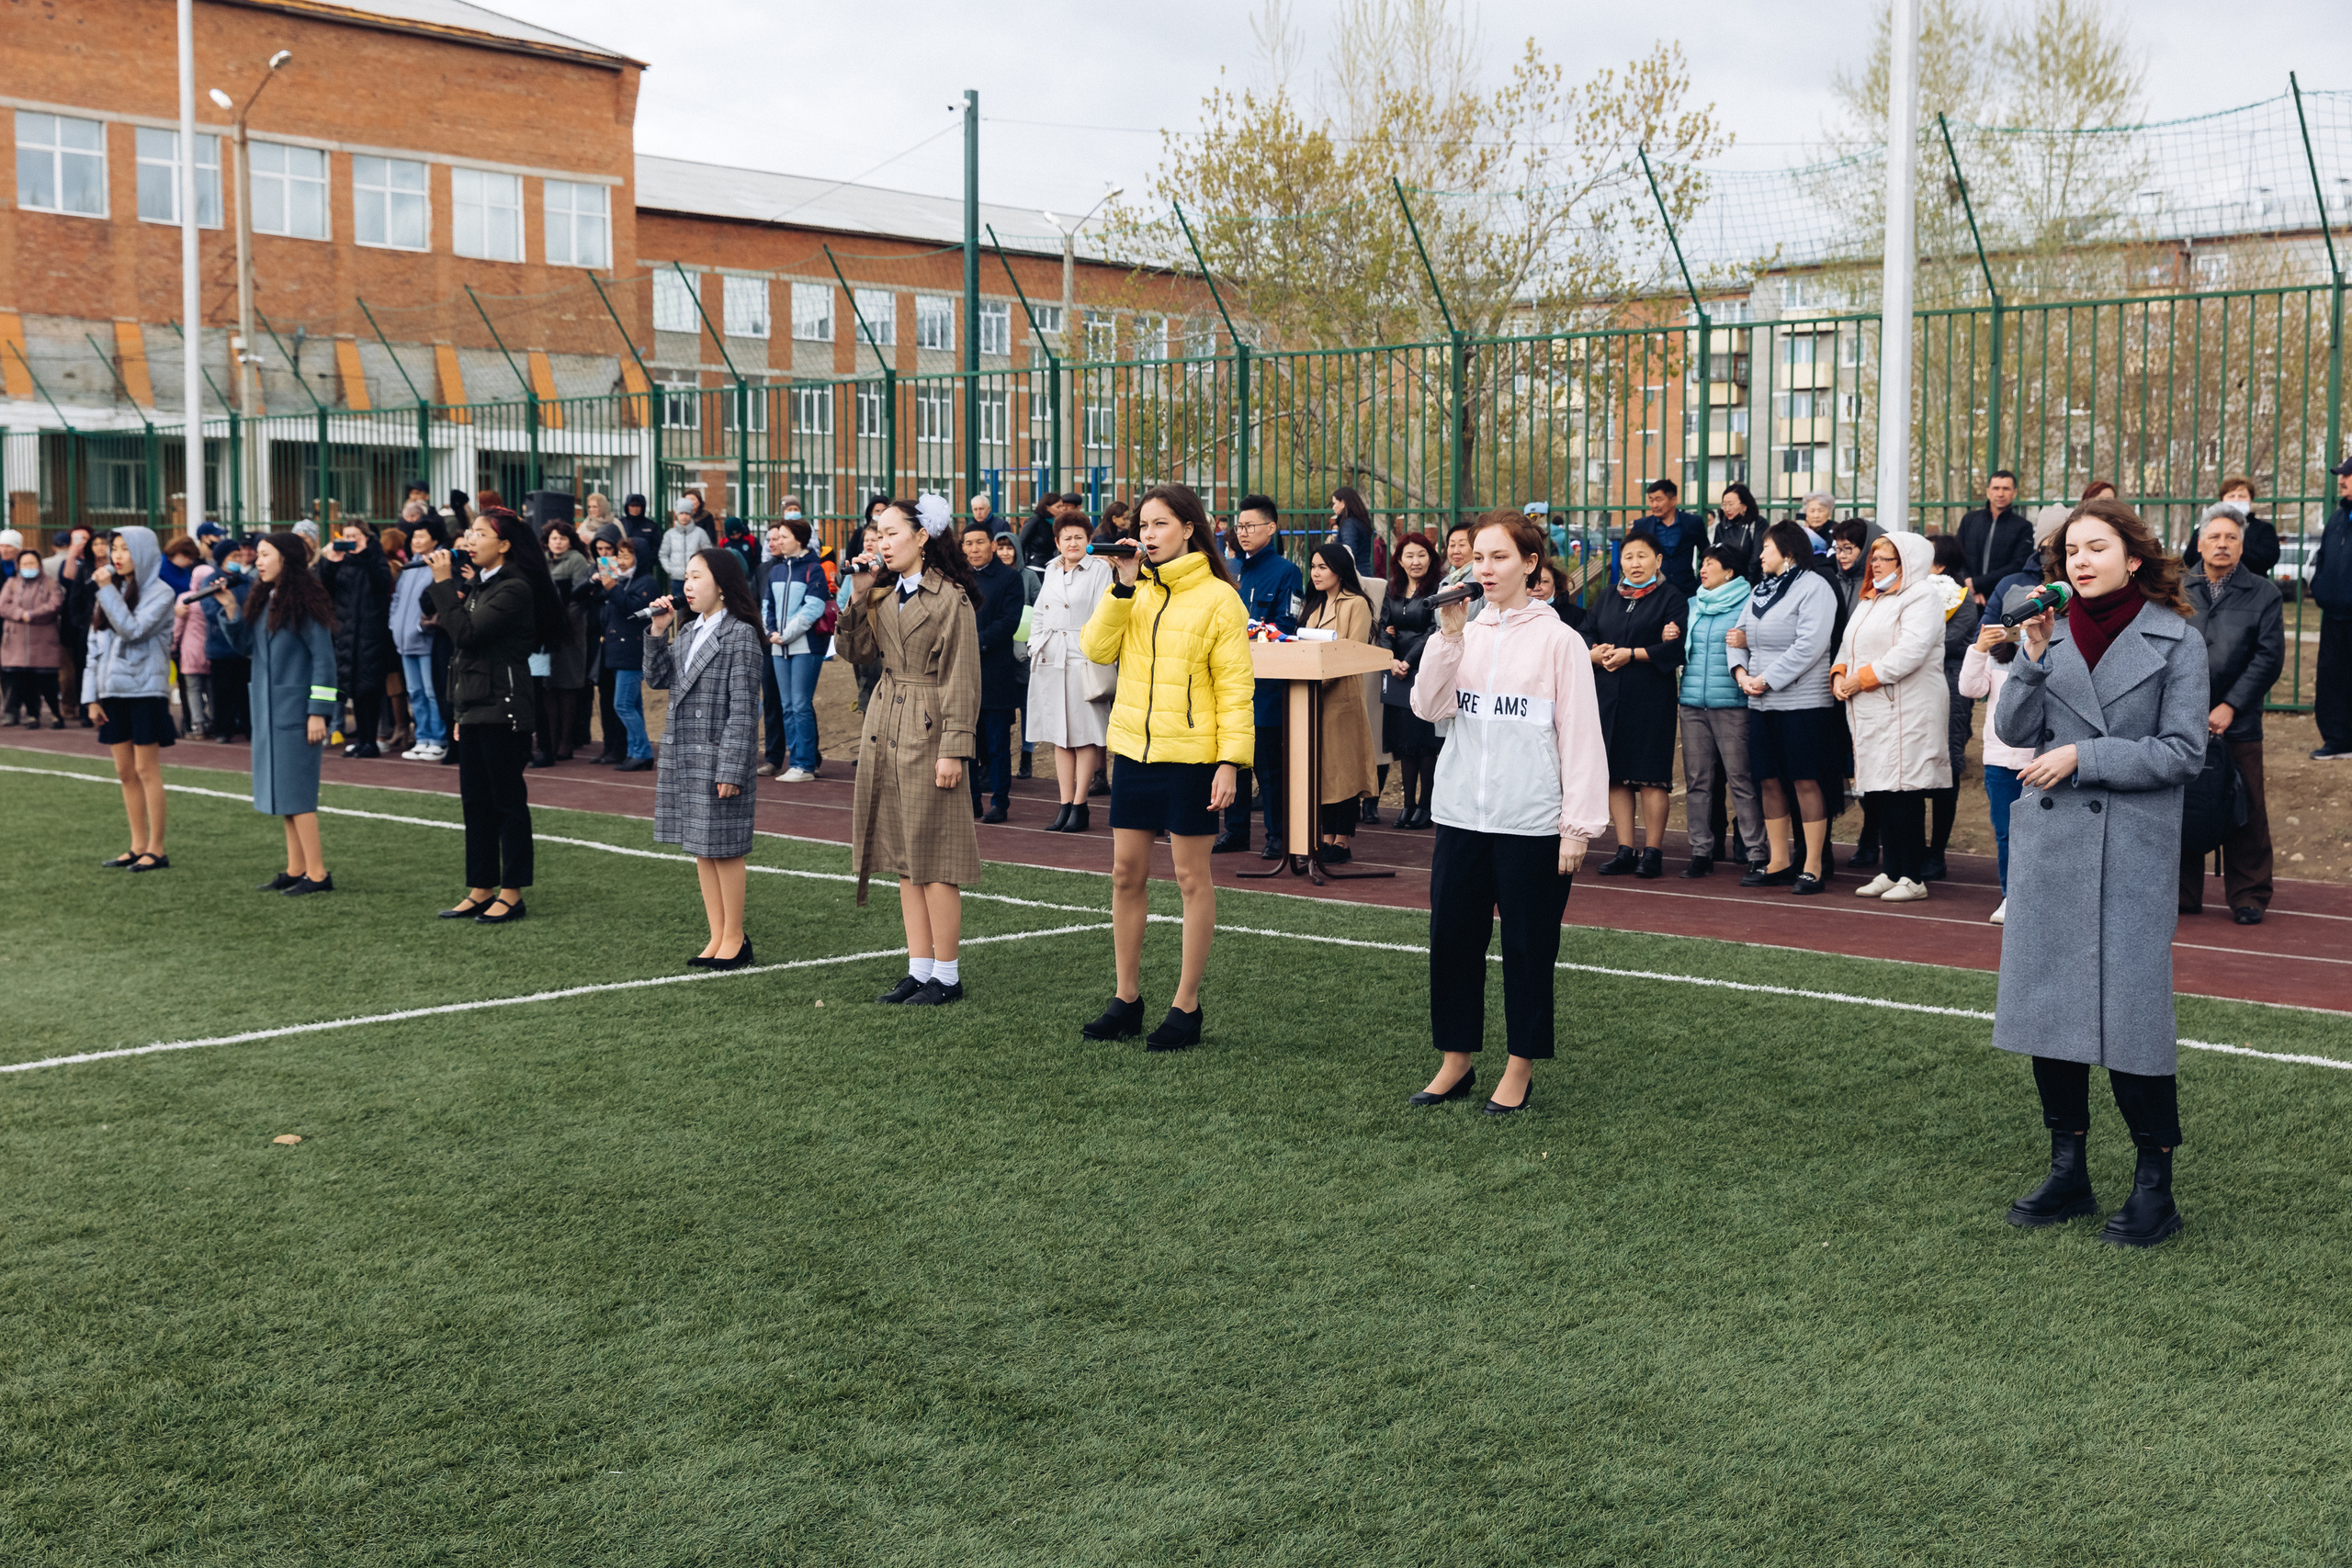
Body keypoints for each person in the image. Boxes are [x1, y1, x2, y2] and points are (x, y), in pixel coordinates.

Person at [1992, 497, 2206, 1247]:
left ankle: (2156, 1184)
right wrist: (2033, 656)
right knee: (2051, 1011)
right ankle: (2068, 1169)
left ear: (2133, 557)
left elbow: (2184, 752)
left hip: (2133, 850)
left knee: (2134, 1019)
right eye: (2070, 551)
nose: (2079, 561)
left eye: (2095, 548)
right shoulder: (2049, 631)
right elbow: (2014, 732)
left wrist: (2087, 755)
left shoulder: (2177, 639)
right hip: (2054, 848)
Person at [1408, 510, 1608, 1115]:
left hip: (1532, 824)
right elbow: (1427, 707)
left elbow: (1580, 736)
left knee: (1527, 947)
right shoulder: (1462, 633)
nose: (1485, 569)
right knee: (1452, 941)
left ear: (1530, 565)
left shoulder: (1560, 641)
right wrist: (1447, 638)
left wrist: (1576, 826)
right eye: (1477, 558)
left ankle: (1520, 1066)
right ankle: (1456, 1060)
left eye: (1499, 557)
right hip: (1463, 816)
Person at [1078, 482, 1253, 1049]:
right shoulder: (1134, 589)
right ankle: (1126, 997)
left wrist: (1230, 762)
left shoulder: (1220, 599)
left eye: (1158, 525)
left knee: (1189, 879)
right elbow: (1096, 649)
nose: (1147, 536)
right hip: (1132, 750)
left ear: (1188, 529)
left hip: (1192, 759)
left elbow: (1234, 689)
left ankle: (1186, 1005)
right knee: (1126, 874)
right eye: (1142, 526)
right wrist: (1123, 590)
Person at [842, 494, 983, 1007]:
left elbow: (962, 679)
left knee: (936, 856)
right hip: (885, 721)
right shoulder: (879, 593)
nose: (879, 541)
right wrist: (858, 595)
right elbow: (854, 653)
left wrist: (954, 749)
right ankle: (919, 968)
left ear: (923, 537)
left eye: (891, 532)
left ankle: (946, 974)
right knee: (904, 854)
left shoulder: (951, 598)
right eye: (876, 532)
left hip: (929, 726)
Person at [426, 507, 564, 924]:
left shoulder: (514, 588)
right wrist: (460, 709)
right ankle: (480, 887)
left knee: (507, 803)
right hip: (475, 706)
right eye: (469, 532)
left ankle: (512, 891)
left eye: (480, 533)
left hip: (504, 708)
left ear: (503, 545)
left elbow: (466, 635)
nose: (470, 539)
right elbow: (464, 652)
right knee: (476, 803)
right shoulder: (481, 585)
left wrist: (442, 583)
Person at [639, 547, 764, 968]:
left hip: (717, 758)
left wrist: (731, 767)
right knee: (703, 849)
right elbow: (657, 679)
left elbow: (744, 709)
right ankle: (717, 935)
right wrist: (658, 631)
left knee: (725, 850)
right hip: (685, 754)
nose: (687, 586)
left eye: (696, 577)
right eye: (686, 578)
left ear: (723, 585)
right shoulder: (690, 631)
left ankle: (735, 938)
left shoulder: (740, 634)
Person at [210, 534, 338, 894]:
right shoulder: (266, 597)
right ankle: (296, 867)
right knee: (283, 794)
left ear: (287, 559)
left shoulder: (306, 601)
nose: (257, 561)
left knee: (298, 795)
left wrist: (319, 712)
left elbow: (325, 662)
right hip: (268, 710)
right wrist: (231, 609)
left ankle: (318, 873)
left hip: (296, 712)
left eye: (265, 555)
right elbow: (246, 647)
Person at [2177, 505, 2285, 924]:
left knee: (2247, 807)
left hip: (2238, 722)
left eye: (2231, 539)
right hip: (2181, 719)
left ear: (2242, 546)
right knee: (2183, 805)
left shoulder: (2264, 593)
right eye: (2214, 537)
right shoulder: (2177, 588)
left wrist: (2231, 705)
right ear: (2199, 543)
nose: (2222, 545)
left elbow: (2268, 658)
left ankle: (2249, 895)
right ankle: (2183, 893)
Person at [1832, 532, 1953, 903]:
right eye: (1875, 558)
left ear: (1908, 563)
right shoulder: (1873, 599)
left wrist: (1862, 678)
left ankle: (1913, 876)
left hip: (1908, 706)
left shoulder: (1921, 597)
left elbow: (1911, 651)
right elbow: (1848, 642)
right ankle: (1891, 869)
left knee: (1905, 789)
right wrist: (1839, 672)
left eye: (1886, 558)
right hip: (1872, 707)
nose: (1876, 564)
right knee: (1881, 791)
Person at [1727, 521, 1844, 893]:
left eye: (1767, 548)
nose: (1760, 554)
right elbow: (1737, 634)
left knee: (1805, 780)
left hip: (1803, 703)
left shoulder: (1815, 587)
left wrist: (1765, 679)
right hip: (1761, 702)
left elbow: (1809, 646)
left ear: (1789, 551)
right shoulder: (1760, 590)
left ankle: (1812, 865)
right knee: (1768, 779)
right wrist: (1742, 674)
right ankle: (1777, 860)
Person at [1587, 527, 1687, 879]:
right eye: (1628, 556)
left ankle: (1653, 851)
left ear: (1658, 560)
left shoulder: (1671, 597)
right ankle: (1625, 849)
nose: (1635, 563)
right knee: (1615, 775)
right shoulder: (1609, 596)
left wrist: (1634, 654)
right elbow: (1588, 632)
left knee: (1650, 777)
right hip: (1610, 696)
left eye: (1642, 556)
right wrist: (1595, 654)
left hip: (1650, 698)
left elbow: (1675, 649)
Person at [78, 527, 177, 870]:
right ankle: (136, 845)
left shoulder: (162, 593)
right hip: (112, 693)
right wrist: (92, 697)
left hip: (145, 691)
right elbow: (94, 649)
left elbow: (133, 631)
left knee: (145, 769)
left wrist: (106, 590)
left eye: (124, 549)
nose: (115, 556)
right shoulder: (112, 591)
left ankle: (157, 848)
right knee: (124, 771)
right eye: (113, 549)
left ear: (143, 552)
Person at [1222, 494, 1303, 857]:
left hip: (1266, 685)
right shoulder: (1228, 570)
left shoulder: (1287, 572)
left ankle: (1277, 836)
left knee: (1268, 767)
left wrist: (1252, 629)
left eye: (1250, 526)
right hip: (1228, 681)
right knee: (1233, 761)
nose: (1243, 532)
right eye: (1239, 526)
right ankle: (1235, 830)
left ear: (1271, 528)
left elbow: (1286, 624)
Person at [1026, 510, 1117, 832]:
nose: (1073, 542)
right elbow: (1039, 613)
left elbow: (1103, 613)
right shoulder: (1050, 570)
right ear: (1057, 542)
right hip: (1050, 660)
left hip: (1083, 658)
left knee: (1084, 735)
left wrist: (1091, 650)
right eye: (1067, 538)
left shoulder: (1099, 571)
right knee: (1058, 737)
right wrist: (1035, 643)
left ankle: (1081, 804)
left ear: (1090, 540)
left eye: (1079, 537)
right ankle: (1064, 804)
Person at [1678, 543, 1762, 879]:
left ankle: (1756, 851)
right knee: (1698, 782)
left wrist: (1747, 642)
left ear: (1729, 571)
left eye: (1710, 563)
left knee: (1742, 780)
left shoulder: (1749, 603)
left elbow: (1763, 643)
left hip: (1732, 704)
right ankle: (1701, 851)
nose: (1703, 568)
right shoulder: (1693, 604)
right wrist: (1672, 634)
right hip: (1692, 704)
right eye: (1703, 562)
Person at [1298, 542, 1378, 863]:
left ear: (1339, 570)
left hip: (1339, 698)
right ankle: (1321, 836)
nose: (1316, 573)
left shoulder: (1355, 603)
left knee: (1341, 772)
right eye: (1313, 567)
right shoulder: (1313, 603)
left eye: (1322, 568)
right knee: (1318, 771)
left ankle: (1340, 840)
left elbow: (1351, 651)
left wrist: (1319, 678)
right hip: (1308, 698)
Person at [1960, 617, 2030, 924]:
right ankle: (2010, 896)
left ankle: (2039, 898)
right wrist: (1979, 648)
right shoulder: (1999, 653)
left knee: (2041, 836)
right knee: (2006, 833)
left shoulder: (2058, 648)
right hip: (2000, 761)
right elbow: (1970, 688)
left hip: (2040, 762)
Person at [1376, 530, 1445, 829]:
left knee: (1425, 744)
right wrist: (1390, 657)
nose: (1416, 561)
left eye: (1422, 555)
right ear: (1399, 560)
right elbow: (1383, 626)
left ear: (1430, 557)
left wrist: (1408, 659)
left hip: (1423, 669)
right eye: (1409, 556)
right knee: (1405, 745)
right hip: (1396, 672)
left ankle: (1426, 806)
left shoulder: (1436, 589)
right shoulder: (1393, 588)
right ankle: (1407, 805)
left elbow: (1434, 629)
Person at [1922, 534, 1980, 881]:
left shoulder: (1963, 601)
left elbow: (1950, 640)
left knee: (1947, 767)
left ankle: (1937, 852)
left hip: (1949, 687)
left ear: (1941, 565)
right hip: (1916, 686)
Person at [958, 519, 1023, 823]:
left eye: (980, 542)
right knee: (967, 744)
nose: (974, 549)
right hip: (963, 674)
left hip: (996, 673)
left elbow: (1009, 621)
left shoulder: (1010, 579)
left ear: (994, 545)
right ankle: (971, 801)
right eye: (968, 543)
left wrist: (974, 642)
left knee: (997, 744)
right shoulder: (958, 579)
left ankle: (1000, 801)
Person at [757, 515, 831, 783]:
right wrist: (772, 632)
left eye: (784, 537)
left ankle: (806, 765)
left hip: (805, 646)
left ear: (798, 539)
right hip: (779, 647)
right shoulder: (776, 570)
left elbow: (813, 606)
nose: (779, 542)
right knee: (787, 705)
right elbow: (769, 607)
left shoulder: (814, 569)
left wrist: (786, 635)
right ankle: (797, 761)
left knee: (800, 704)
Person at [317, 523, 392, 759]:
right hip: (346, 632)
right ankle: (362, 741)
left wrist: (366, 555)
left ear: (366, 538)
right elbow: (323, 587)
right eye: (346, 536)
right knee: (355, 690)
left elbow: (383, 582)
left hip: (372, 633)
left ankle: (371, 741)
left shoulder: (375, 556)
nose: (350, 540)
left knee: (370, 688)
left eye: (355, 536)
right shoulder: (340, 559)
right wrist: (331, 561)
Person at [390, 516, 447, 761]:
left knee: (432, 691)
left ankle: (438, 739)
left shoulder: (439, 565)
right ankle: (422, 737)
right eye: (414, 537)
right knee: (415, 692)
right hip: (404, 642)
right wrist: (394, 624)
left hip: (426, 640)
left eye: (422, 536)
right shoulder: (410, 566)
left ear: (435, 540)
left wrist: (420, 627)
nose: (416, 541)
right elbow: (397, 599)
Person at [2310, 457, 2352, 761]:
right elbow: (2323, 557)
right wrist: (2321, 587)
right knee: (2332, 678)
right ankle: (2337, 740)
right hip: (2334, 615)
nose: (2342, 480)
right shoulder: (2338, 517)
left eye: (2348, 476)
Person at [839, 493, 894, 713]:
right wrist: (860, 593)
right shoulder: (862, 571)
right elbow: (847, 648)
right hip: (870, 672)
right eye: (874, 538)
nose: (877, 544)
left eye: (885, 537)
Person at [1, 544, 65, 728]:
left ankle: (56, 713)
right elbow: (3, 605)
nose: (28, 567)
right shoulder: (11, 584)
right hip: (17, 642)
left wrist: (33, 614)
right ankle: (32, 715)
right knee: (25, 680)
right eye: (25, 563)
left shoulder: (51, 583)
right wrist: (20, 614)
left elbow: (55, 605)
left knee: (47, 681)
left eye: (32, 563)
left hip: (43, 641)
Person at [199, 538, 254, 743]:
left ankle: (250, 727)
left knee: (246, 692)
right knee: (223, 691)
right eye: (234, 556)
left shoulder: (248, 581)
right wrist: (233, 615)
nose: (239, 560)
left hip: (245, 647)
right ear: (222, 559)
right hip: (220, 646)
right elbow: (211, 611)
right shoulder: (211, 581)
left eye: (240, 556)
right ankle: (223, 729)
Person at [1956, 468, 2031, 603]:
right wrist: (1969, 585)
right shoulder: (1969, 520)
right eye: (1996, 488)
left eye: (2006, 489)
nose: (2000, 494)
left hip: (2003, 596)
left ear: (2014, 493)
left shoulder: (2023, 526)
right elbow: (1957, 557)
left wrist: (1978, 584)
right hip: (1967, 595)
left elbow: (2018, 565)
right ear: (1988, 492)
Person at [169, 544, 218, 738]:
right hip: (210, 650)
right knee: (211, 689)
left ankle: (198, 725)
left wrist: (172, 645)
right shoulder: (215, 598)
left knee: (193, 690)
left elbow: (178, 627)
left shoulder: (185, 599)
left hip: (190, 652)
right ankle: (214, 720)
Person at [1639, 479, 1703, 596]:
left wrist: (1700, 582)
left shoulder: (1693, 523)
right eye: (1651, 500)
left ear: (1673, 500)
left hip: (1686, 590)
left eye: (1658, 500)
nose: (1654, 505)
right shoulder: (1642, 526)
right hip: (1652, 591)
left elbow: (1706, 554)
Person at [1713, 483, 1766, 584]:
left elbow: (1756, 558)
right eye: (1724, 504)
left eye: (1731, 504)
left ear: (1745, 506)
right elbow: (1716, 555)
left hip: (1750, 582)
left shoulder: (1757, 524)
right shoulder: (1721, 527)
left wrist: (1746, 582)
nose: (1727, 509)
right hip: (1726, 582)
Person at [658, 498, 713, 584]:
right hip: (676, 579)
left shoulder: (700, 533)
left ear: (691, 514)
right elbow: (663, 554)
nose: (684, 517)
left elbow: (708, 553)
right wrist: (670, 570)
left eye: (687, 513)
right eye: (681, 513)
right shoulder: (670, 534)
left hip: (695, 578)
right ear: (677, 514)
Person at [1329, 487, 1376, 578]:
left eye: (1335, 503)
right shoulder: (1360, 521)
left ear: (1343, 503)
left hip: (1355, 575)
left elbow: (1349, 551)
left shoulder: (1348, 523)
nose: (1333, 507)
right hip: (1365, 571)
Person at [1437, 519, 1478, 591]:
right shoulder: (1446, 582)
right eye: (1452, 545)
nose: (1455, 551)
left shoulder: (1480, 582)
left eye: (1462, 545)